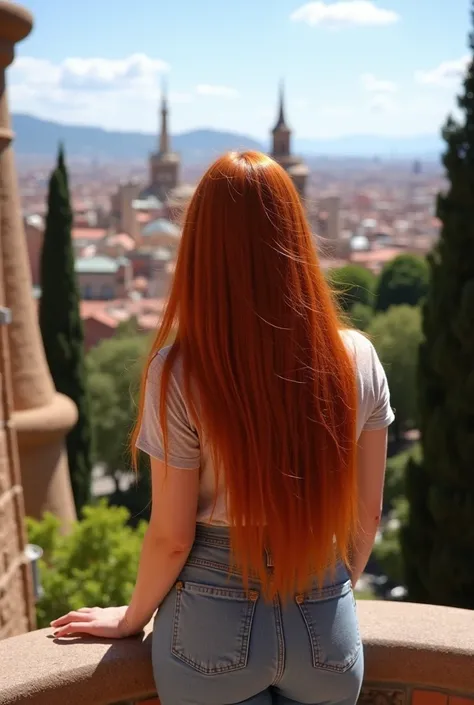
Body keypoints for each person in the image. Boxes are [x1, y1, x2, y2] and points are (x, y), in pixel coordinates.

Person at [51, 151, 394, 705]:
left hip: (210, 624)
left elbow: (172, 536)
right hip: (325, 618)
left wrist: (130, 618)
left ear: (200, 247)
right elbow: (368, 512)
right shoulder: (358, 356)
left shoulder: (180, 371)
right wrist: (333, 588)